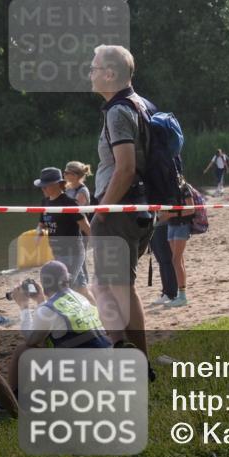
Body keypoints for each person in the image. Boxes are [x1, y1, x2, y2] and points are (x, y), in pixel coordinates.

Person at [89, 44, 156, 361]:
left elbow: (125, 168)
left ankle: (130, 357)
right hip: (139, 210)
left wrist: (102, 210)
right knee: (116, 286)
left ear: (110, 73)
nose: (90, 73)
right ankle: (130, 355)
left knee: (109, 287)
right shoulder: (142, 105)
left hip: (119, 211)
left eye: (94, 67)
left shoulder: (118, 111)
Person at [7, 260, 112, 395]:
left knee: (22, 350)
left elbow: (30, 340)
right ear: (67, 279)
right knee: (53, 342)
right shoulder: (81, 298)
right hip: (106, 362)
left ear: (44, 284)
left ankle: (9, 399)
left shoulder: (48, 309)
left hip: (84, 372)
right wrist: (40, 299)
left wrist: (24, 307)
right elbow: (51, 320)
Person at [34, 166, 94, 303]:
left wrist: (98, 243)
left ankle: (91, 314)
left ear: (57, 184)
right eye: (41, 186)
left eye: (45, 186)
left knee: (70, 287)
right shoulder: (44, 202)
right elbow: (42, 224)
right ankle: (92, 313)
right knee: (77, 287)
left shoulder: (68, 203)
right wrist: (38, 233)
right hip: (57, 252)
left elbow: (85, 225)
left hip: (73, 252)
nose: (42, 189)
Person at [157, 189, 194, 308]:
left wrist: (170, 214)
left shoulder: (184, 187)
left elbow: (191, 209)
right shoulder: (166, 187)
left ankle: (182, 296)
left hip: (182, 225)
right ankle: (180, 295)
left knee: (176, 260)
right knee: (178, 260)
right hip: (171, 225)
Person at [147, 221, 178, 307]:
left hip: (162, 226)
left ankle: (171, 293)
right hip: (154, 226)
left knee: (166, 261)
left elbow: (166, 214)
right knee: (162, 261)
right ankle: (166, 292)